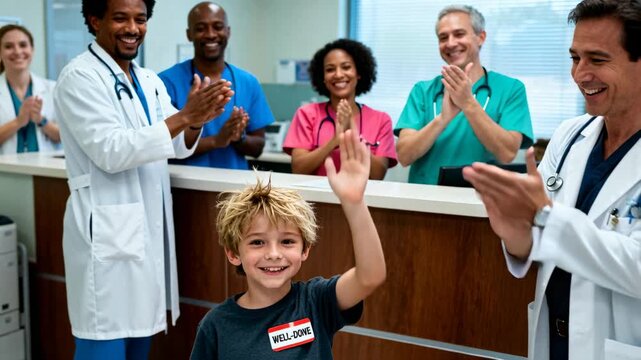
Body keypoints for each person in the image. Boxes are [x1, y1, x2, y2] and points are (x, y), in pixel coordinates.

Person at [54, 0, 233, 358]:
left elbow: (178, 146)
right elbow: (111, 151)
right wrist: (185, 116)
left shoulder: (148, 80)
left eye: (140, 19)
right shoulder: (79, 77)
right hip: (105, 236)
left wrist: (195, 120)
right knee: (102, 343)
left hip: (142, 238)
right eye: (120, 18)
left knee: (139, 344)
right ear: (95, 20)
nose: (132, 28)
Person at [462, 1, 641, 359]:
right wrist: (515, 235)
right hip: (554, 339)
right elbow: (539, 235)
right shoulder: (570, 135)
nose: (580, 74)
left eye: (598, 59)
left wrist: (545, 216)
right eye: (575, 58)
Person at [190, 129, 386, 359]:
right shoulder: (215, 326)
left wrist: (354, 203)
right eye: (257, 242)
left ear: (305, 249)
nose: (273, 254)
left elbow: (370, 276)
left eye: (287, 242)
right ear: (233, 253)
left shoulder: (316, 301)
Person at [395, 5, 533, 185]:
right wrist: (442, 119)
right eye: (443, 37)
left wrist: (468, 103)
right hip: (425, 202)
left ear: (481, 37)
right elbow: (404, 156)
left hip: (482, 202)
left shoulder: (510, 89)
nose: (451, 43)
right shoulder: (423, 91)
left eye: (459, 34)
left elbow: (507, 153)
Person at [159, 2, 274, 169]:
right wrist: (216, 141)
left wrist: (237, 137)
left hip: (235, 189)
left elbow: (258, 147)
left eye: (218, 27)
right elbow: (160, 146)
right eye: (200, 28)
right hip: (183, 188)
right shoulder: (166, 82)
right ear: (189, 34)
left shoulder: (248, 82)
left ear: (228, 31)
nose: (211, 34)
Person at [282, 38, 397, 180]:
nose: (338, 74)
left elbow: (378, 175)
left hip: (361, 201)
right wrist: (334, 141)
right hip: (315, 201)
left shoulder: (381, 120)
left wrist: (352, 136)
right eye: (330, 69)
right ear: (323, 77)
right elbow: (298, 169)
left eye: (346, 67)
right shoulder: (307, 114)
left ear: (359, 73)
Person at [0, 24, 60, 154]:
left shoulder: (52, 88)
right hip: (5, 170)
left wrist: (41, 120)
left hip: (44, 170)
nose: (17, 51)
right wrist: (18, 122)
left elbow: (64, 137)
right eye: (8, 46)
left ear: (32, 49)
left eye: (23, 45)